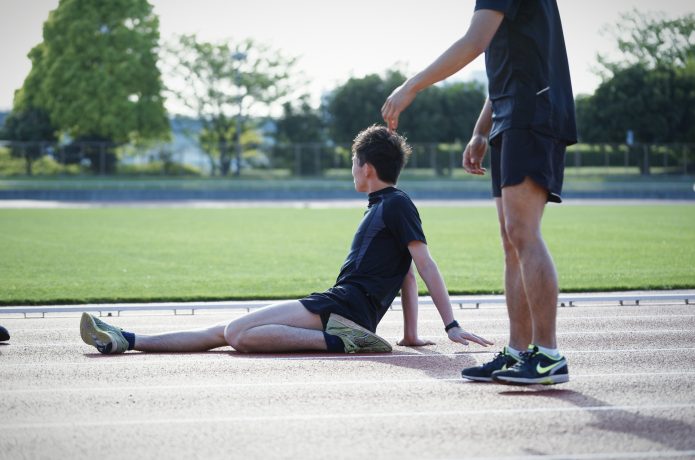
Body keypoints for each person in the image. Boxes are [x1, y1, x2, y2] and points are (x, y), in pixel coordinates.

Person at [80, 125, 493, 355]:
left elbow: (424, 265)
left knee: (239, 334)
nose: (351, 169)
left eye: (353, 163)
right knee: (227, 330)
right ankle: (126, 339)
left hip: (345, 310)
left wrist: (451, 325)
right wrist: (410, 334)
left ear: (366, 168)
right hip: (344, 305)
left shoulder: (397, 205)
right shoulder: (383, 206)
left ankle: (343, 341)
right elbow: (405, 272)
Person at [381, 1, 576, 384]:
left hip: (531, 111)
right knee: (510, 239)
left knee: (523, 232)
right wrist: (482, 128)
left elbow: (475, 41)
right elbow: (508, 58)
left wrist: (410, 86)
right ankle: (518, 352)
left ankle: (548, 354)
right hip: (511, 112)